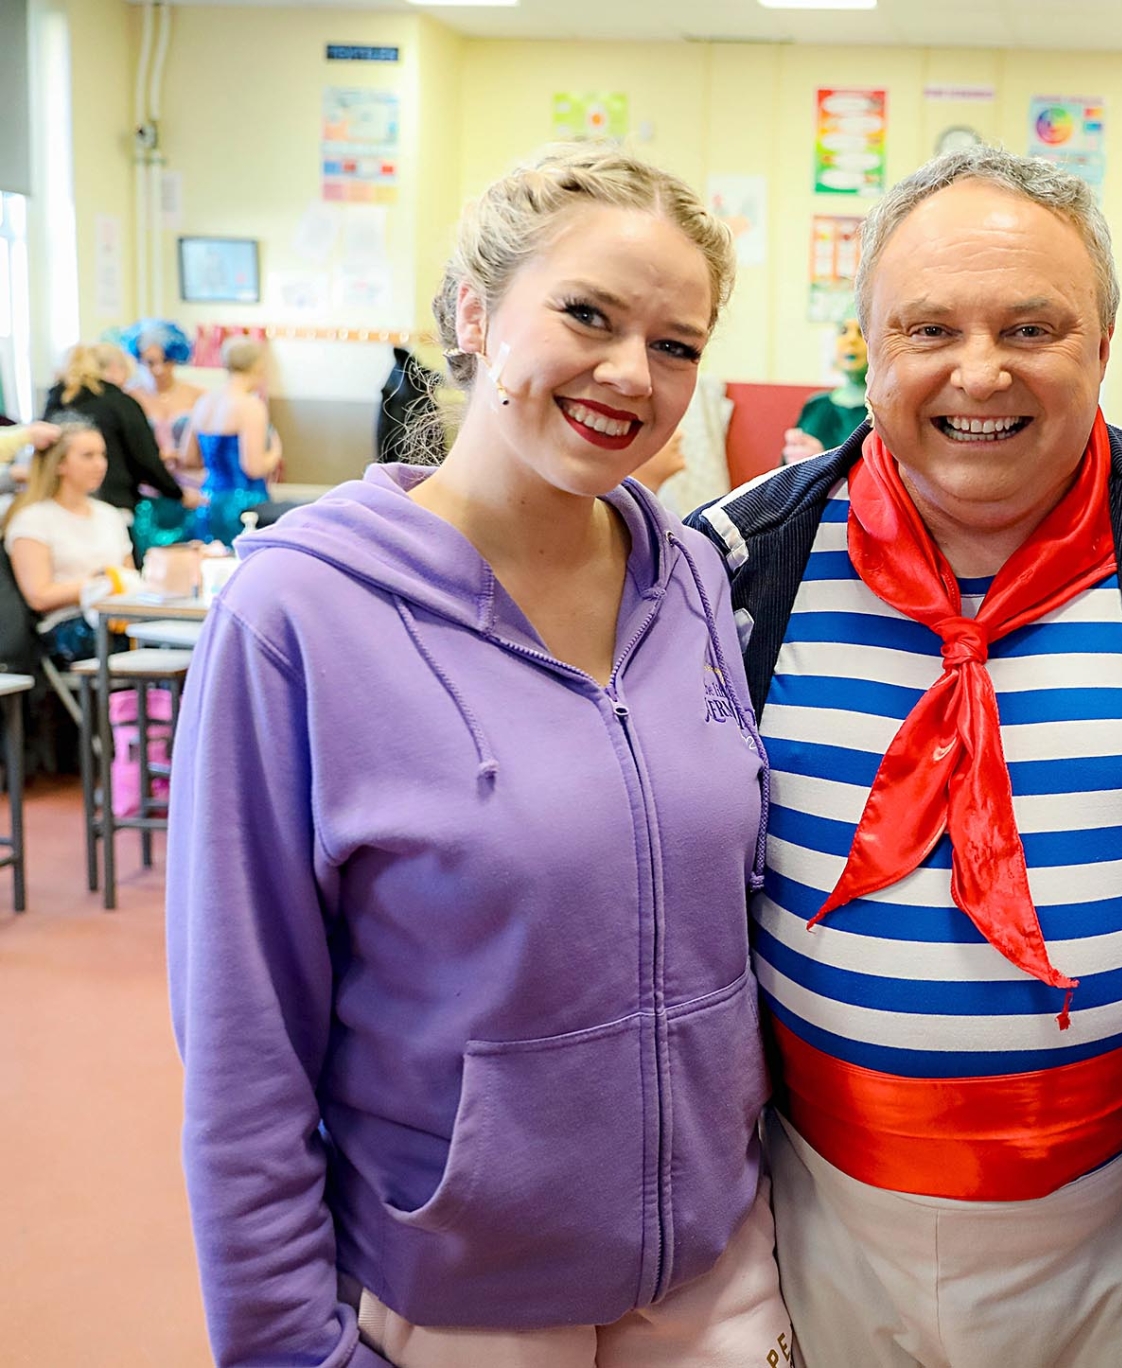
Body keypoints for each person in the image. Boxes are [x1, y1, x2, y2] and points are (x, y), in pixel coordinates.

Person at [168, 140, 791, 1368]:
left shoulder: (695, 580)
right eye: (588, 315)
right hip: (460, 1303)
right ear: (472, 311)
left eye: (676, 345)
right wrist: (288, 1345)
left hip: (715, 1282)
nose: (631, 374)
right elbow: (244, 1045)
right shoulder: (300, 614)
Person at [690, 144, 1122, 1368]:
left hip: (1119, 1232)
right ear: (867, 343)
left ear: (1102, 343)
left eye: (1033, 324)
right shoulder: (727, 572)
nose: (982, 371)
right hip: (812, 1217)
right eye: (930, 328)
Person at [2, 417, 137, 664]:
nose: (100, 464)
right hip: (67, 629)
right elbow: (39, 595)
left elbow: (128, 576)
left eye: (102, 455)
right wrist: (96, 584)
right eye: (88, 456)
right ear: (60, 464)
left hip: (117, 618)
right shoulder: (32, 519)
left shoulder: (110, 515)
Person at [41, 342, 188, 516]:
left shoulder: (56, 404)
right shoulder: (120, 404)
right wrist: (177, 493)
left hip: (59, 503)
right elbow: (145, 460)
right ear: (114, 367)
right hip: (113, 502)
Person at [181, 336, 284, 543]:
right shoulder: (250, 406)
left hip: (206, 500)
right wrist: (275, 453)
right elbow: (253, 467)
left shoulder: (204, 402)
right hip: (242, 505)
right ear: (257, 366)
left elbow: (189, 458)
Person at [780, 318, 869, 464]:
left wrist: (821, 462)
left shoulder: (885, 413)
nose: (851, 340)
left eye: (861, 332)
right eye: (843, 331)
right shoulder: (815, 405)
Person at [126, 320, 204, 466]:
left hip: (192, 477)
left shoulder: (198, 395)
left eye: (166, 361)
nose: (159, 370)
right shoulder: (130, 398)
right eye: (150, 362)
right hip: (146, 480)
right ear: (139, 360)